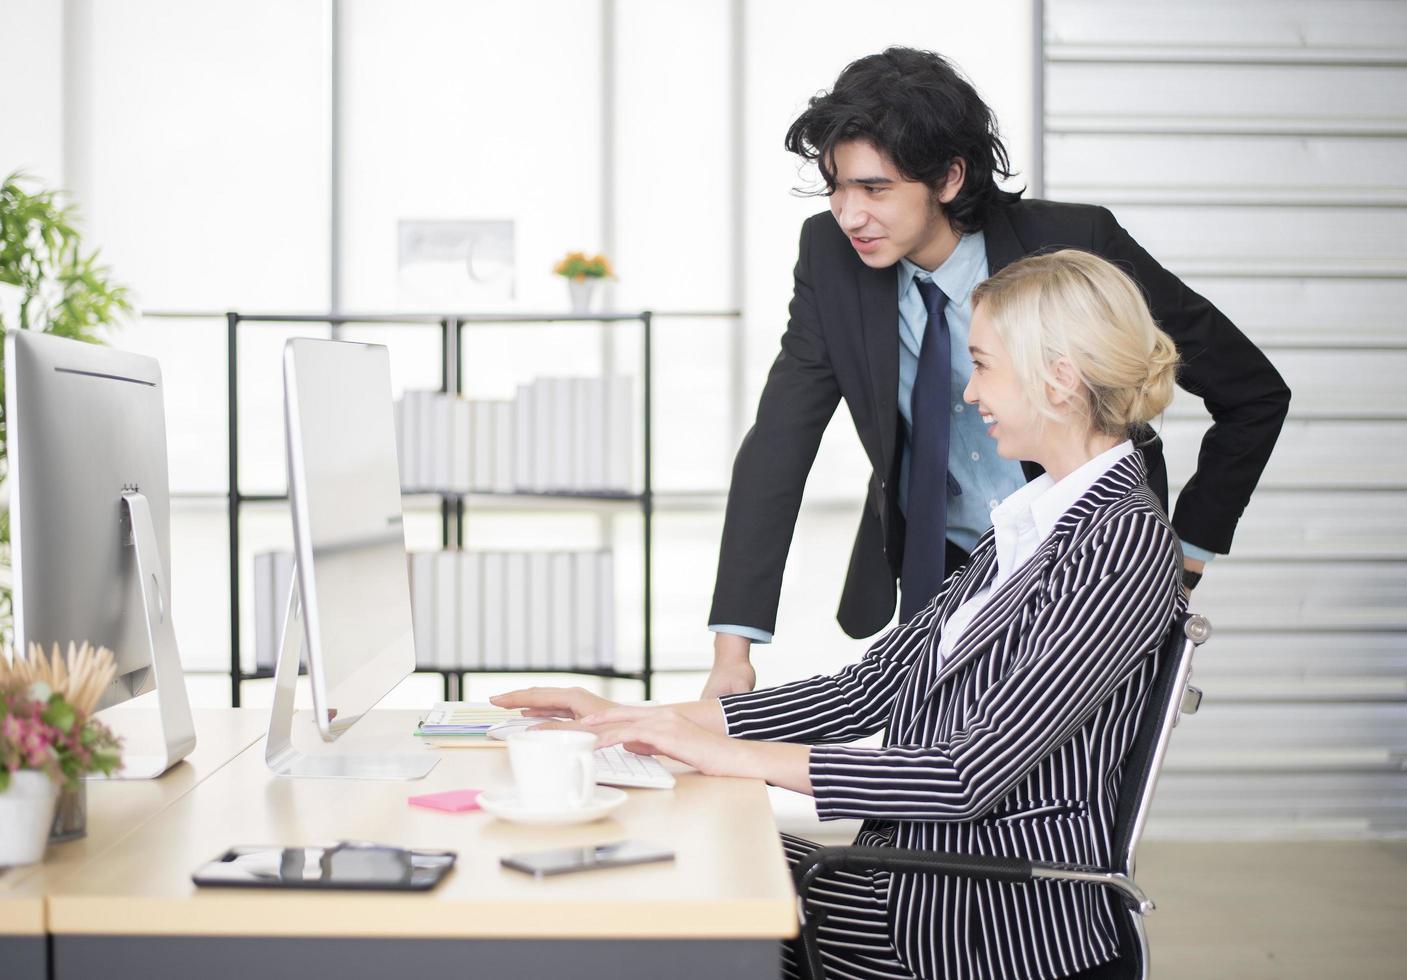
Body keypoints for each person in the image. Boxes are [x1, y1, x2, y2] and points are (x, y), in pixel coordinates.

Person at [495, 250, 1190, 980]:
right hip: (914, 882)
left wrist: (726, 757)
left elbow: (963, 775)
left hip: (973, 923)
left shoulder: (1120, 543)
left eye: (983, 364)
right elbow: (862, 693)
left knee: (662, 900)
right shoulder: (1030, 526)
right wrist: (634, 721)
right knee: (664, 866)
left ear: (1058, 376)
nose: (967, 392)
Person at [701, 47, 1289, 699]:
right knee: (911, 779)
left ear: (948, 178)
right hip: (937, 583)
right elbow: (778, 446)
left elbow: (1252, 393)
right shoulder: (829, 257)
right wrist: (733, 656)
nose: (848, 214)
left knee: (1035, 784)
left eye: (874, 188)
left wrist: (1187, 553)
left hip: (1082, 579)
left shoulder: (1076, 244)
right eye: (837, 186)